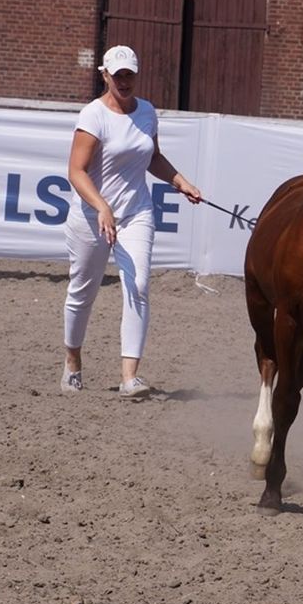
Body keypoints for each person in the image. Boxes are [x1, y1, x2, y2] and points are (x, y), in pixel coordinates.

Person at [61, 45, 202, 398]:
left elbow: (152, 157)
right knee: (82, 291)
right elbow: (75, 172)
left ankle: (130, 377)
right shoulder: (93, 116)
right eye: (117, 75)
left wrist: (179, 181)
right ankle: (72, 362)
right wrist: (102, 207)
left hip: (136, 212)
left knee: (138, 285)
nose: (124, 81)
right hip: (91, 216)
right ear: (104, 75)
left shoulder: (148, 113)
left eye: (129, 75)